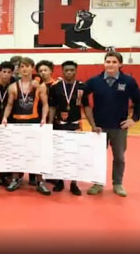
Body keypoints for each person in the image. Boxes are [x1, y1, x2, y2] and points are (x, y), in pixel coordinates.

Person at [85, 51, 140, 197]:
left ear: (120, 64)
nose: (110, 64)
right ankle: (97, 183)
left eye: (114, 62)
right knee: (98, 156)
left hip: (119, 127)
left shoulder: (128, 81)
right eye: (108, 61)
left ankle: (118, 183)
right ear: (104, 63)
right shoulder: (94, 81)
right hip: (99, 128)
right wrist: (91, 121)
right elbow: (82, 95)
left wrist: (134, 119)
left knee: (119, 157)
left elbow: (138, 101)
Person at [2, 57, 51, 196]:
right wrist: (5, 117)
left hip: (34, 121)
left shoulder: (39, 86)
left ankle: (40, 181)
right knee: (17, 152)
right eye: (22, 66)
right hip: (17, 123)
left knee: (36, 152)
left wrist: (43, 118)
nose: (24, 69)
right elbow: (9, 105)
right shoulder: (13, 87)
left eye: (27, 66)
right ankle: (15, 179)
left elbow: (45, 104)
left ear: (32, 68)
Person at [48, 61, 91, 196]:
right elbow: (52, 107)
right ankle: (59, 180)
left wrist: (93, 125)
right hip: (59, 124)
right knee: (59, 153)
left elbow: (87, 106)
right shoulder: (56, 87)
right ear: (62, 71)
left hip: (75, 124)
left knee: (75, 154)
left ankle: (74, 183)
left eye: (72, 70)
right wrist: (49, 124)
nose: (69, 73)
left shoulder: (82, 86)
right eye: (66, 70)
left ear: (76, 71)